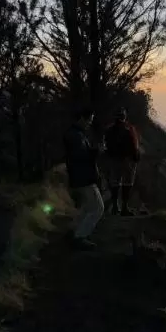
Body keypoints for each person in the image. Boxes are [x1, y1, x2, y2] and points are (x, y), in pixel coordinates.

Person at [64, 107, 104, 249]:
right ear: (82, 118)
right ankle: (80, 237)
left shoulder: (75, 134)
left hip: (79, 176)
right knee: (98, 208)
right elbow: (81, 157)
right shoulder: (76, 136)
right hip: (84, 177)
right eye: (89, 120)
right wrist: (97, 151)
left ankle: (75, 231)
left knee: (88, 207)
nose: (89, 124)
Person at [103, 107, 141, 215]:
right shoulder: (129, 128)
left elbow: (105, 145)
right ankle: (124, 207)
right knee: (127, 183)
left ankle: (115, 206)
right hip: (127, 160)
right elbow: (135, 144)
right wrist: (136, 157)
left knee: (115, 183)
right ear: (124, 117)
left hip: (113, 159)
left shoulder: (108, 130)